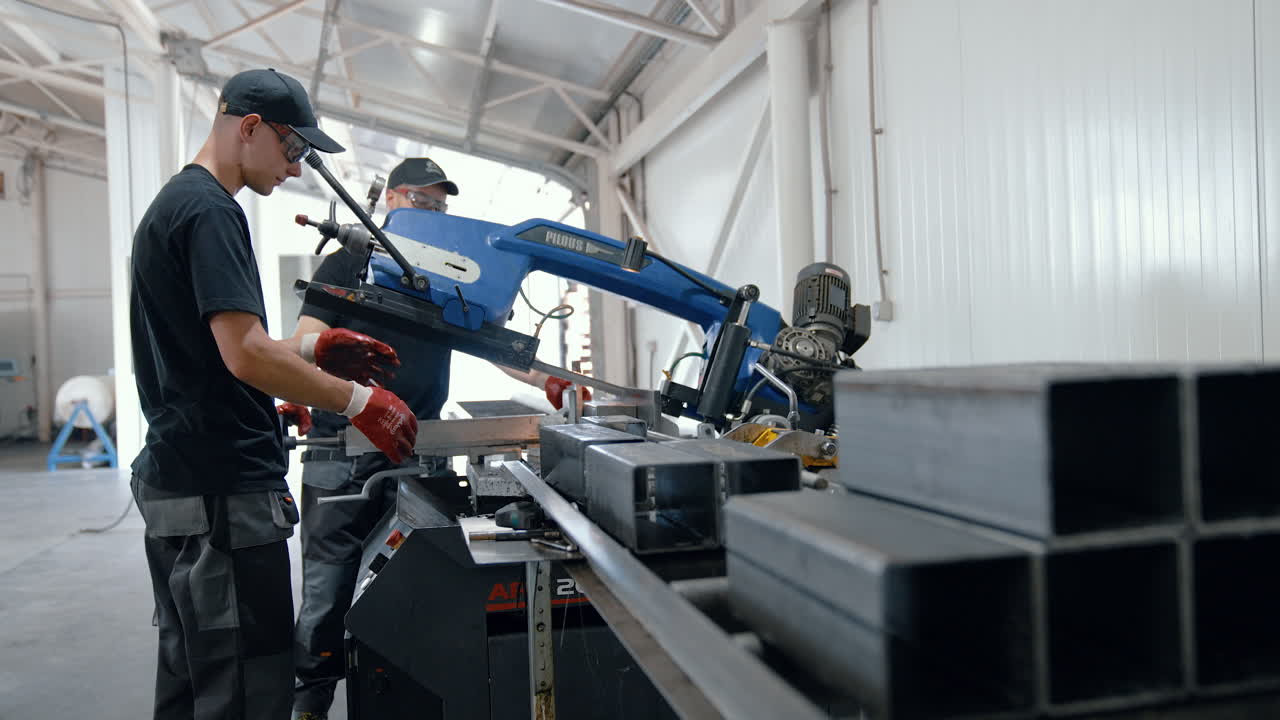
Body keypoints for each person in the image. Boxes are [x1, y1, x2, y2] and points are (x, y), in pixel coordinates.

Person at [128, 68, 418, 720]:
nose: (294, 170)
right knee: (243, 692)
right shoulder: (210, 212)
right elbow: (246, 352)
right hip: (222, 501)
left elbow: (213, 351)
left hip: (184, 484)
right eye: (292, 150)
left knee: (194, 684)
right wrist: (357, 401)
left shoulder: (177, 204)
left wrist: (316, 350)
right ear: (250, 127)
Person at [282, 157, 585, 720]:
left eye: (441, 207)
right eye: (422, 202)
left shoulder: (448, 271)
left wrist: (550, 380)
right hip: (338, 455)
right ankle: (309, 704)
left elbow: (494, 347)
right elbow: (304, 339)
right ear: (392, 201)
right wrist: (314, 378)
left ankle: (406, 699)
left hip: (419, 454)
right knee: (325, 597)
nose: (434, 215)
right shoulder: (347, 260)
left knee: (416, 588)